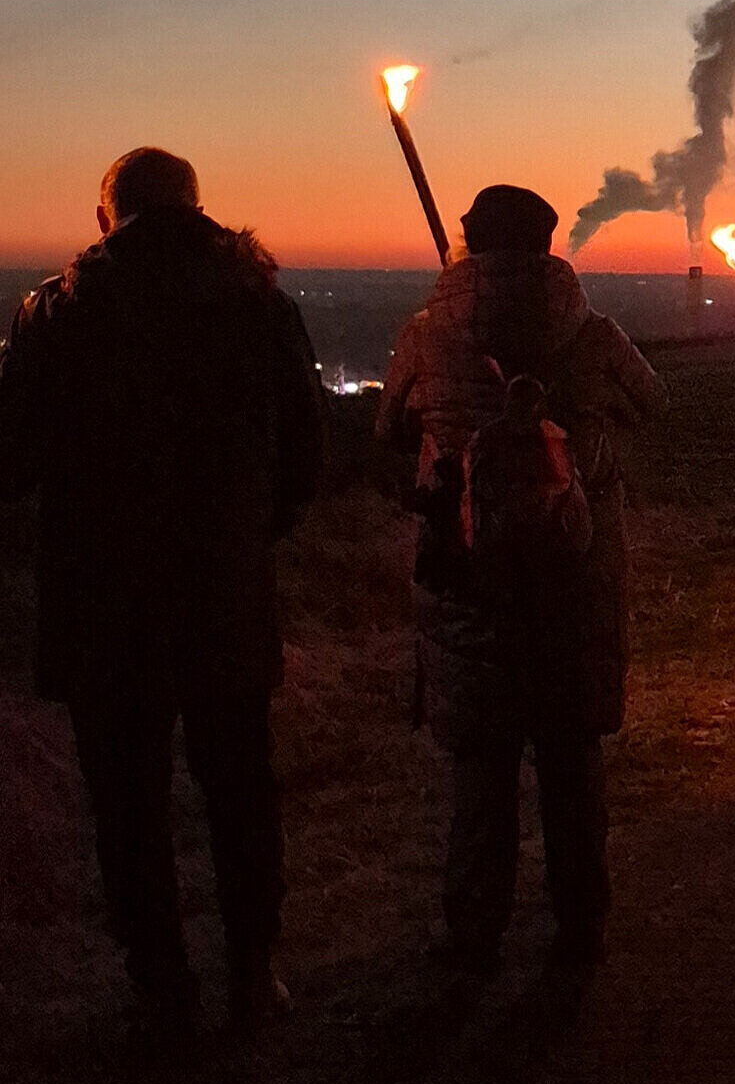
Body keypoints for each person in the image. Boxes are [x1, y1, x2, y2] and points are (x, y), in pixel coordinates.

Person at [0, 150, 323, 1033]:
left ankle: (161, 980)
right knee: (240, 786)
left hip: (102, 604)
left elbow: (12, 457)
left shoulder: (59, 310)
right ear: (195, 206)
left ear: (108, 218)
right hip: (222, 591)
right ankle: (255, 968)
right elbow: (307, 452)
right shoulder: (257, 300)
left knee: (128, 801)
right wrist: (251, 538)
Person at [378, 185, 663, 973]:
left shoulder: (428, 333)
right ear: (550, 246)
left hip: (468, 579)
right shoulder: (595, 333)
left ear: (467, 243)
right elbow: (653, 403)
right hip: (573, 575)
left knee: (483, 769)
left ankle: (473, 936)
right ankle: (580, 928)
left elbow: (389, 427)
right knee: (571, 762)